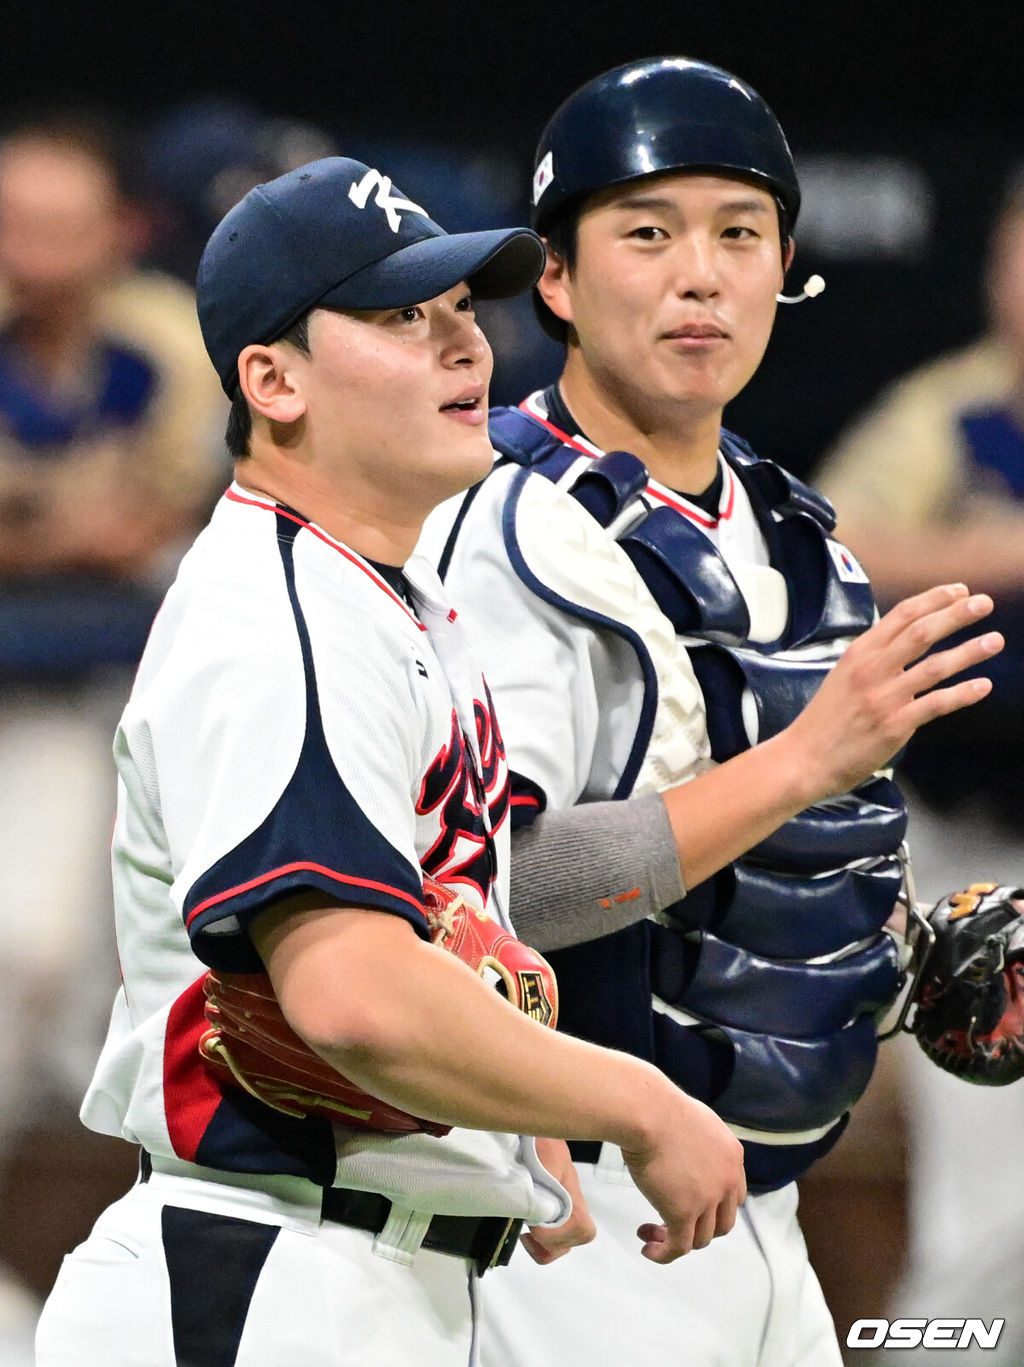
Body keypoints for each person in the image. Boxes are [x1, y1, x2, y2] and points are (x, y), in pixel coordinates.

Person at [33, 154, 761, 1367]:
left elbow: (439, 938)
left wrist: (498, 1121)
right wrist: (632, 1097)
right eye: (395, 318)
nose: (464, 349)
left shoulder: (385, 595)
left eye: (462, 312)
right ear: (271, 379)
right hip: (266, 1271)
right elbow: (353, 994)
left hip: (366, 1270)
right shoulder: (282, 614)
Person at [417, 57, 1005, 1365]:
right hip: (567, 1210)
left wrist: (906, 956)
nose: (702, 273)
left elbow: (770, 867)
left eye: (740, 233)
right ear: (555, 280)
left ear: (785, 268)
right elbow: (481, 893)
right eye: (648, 231)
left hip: (759, 1212)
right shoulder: (508, 533)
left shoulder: (792, 526)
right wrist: (804, 761)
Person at [0, 111, 225, 1362]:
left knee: (73, 977)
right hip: (28, 697)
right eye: (10, 224)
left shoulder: (164, 338)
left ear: (117, 235)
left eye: (57, 226)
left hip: (103, 706)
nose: (32, 254)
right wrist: (54, 544)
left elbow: (185, 512)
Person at [816, 169, 1024, 1366]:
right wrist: (991, 551)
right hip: (965, 838)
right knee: (990, 1182)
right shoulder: (947, 415)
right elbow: (821, 543)